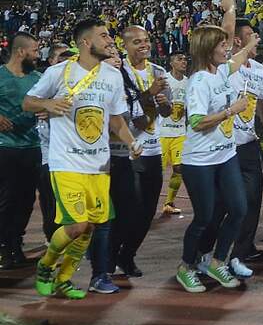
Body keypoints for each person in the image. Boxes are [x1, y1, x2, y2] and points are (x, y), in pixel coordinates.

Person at [25, 19, 142, 299]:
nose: (109, 40)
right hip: (66, 162)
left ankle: (64, 279)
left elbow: (115, 119)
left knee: (90, 226)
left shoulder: (112, 76)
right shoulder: (58, 72)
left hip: (99, 165)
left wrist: (131, 142)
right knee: (76, 225)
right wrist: (48, 104)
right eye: (103, 36)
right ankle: (45, 266)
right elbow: (28, 102)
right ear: (86, 43)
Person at [175, 0, 258, 293]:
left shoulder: (220, 71)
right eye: (223, 46)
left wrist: (230, 10)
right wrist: (229, 111)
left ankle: (217, 261)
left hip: (225, 155)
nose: (228, 48)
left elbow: (227, 31)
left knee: (238, 208)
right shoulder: (199, 82)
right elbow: (196, 122)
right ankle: (186, 267)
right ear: (208, 50)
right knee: (205, 217)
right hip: (199, 161)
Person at [108, 26, 173, 280]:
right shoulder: (117, 73)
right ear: (125, 46)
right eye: (136, 42)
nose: (143, 45)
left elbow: (166, 111)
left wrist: (165, 105)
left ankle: (128, 255)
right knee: (128, 209)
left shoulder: (158, 72)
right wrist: (150, 96)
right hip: (124, 150)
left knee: (147, 212)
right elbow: (127, 118)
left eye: (146, 40)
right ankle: (109, 255)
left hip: (152, 150)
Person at [0, 32, 42, 270]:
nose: (38, 56)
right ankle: (3, 247)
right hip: (5, 148)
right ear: (21, 52)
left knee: (26, 201)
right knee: (6, 200)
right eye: (35, 51)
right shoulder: (0, 76)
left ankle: (16, 244)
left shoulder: (38, 77)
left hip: (32, 146)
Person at [35, 44, 74, 244]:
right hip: (47, 153)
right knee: (50, 198)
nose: (66, 62)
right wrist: (45, 106)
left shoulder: (75, 84)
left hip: (72, 154)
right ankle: (52, 237)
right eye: (60, 58)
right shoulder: (41, 85)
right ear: (51, 61)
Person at [160, 52, 188, 216]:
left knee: (179, 168)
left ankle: (169, 202)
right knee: (158, 172)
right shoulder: (164, 81)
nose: (184, 61)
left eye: (185, 59)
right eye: (180, 59)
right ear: (171, 63)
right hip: (162, 132)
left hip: (180, 132)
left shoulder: (189, 82)